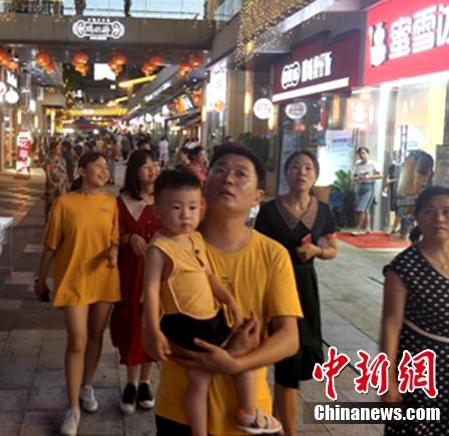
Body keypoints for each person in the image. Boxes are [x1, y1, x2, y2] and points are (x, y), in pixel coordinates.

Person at [153, 142, 302, 436]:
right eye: (219, 170)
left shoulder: (273, 254)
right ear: (204, 186)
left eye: (241, 174)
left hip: (246, 415)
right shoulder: (168, 248)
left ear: (258, 197)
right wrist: (204, 356)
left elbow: (289, 339)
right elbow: (150, 335)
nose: (228, 179)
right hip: (178, 410)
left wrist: (234, 363)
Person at [34, 152, 119, 436]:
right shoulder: (64, 204)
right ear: (82, 171)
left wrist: (113, 251)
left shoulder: (110, 203)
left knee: (96, 335)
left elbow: (114, 238)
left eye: (106, 166)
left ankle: (87, 386)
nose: (104, 170)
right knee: (77, 339)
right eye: (98, 165)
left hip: (104, 277)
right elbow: (50, 245)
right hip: (73, 280)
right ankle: (73, 408)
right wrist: (41, 278)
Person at [254, 151, 338, 436]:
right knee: (283, 360)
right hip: (274, 287)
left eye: (308, 168)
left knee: (297, 356)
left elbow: (332, 249)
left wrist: (317, 251)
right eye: (295, 167)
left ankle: (277, 421)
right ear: (286, 172)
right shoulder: (269, 211)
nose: (301, 172)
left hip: (305, 288)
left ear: (315, 175)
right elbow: (257, 249)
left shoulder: (323, 212)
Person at [381, 186, 449, 435]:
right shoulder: (403, 267)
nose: (439, 218)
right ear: (417, 218)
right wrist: (388, 381)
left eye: (447, 211)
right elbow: (391, 325)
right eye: (429, 211)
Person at [110, 150, 161, 414]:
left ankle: (145, 382)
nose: (152, 170)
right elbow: (112, 237)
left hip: (157, 273)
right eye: (145, 166)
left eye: (154, 165)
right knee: (131, 323)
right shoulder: (121, 202)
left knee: (151, 323)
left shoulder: (165, 199)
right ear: (134, 171)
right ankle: (131, 382)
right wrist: (129, 238)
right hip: (130, 273)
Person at [353, 147, 382, 234]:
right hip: (359, 186)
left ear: (368, 154)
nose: (362, 155)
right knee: (366, 209)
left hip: (369, 187)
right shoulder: (357, 164)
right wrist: (357, 177)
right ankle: (367, 228)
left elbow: (380, 175)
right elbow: (354, 176)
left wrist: (369, 177)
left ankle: (358, 229)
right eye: (360, 154)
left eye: (363, 153)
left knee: (361, 209)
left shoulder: (373, 164)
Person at [44, 141, 68, 220]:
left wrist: (63, 181)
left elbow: (65, 172)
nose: (59, 150)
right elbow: (47, 172)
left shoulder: (62, 159)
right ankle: (49, 218)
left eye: (59, 148)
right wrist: (51, 182)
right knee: (50, 202)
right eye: (58, 148)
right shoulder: (48, 159)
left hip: (61, 184)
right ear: (53, 149)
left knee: (61, 202)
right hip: (51, 184)